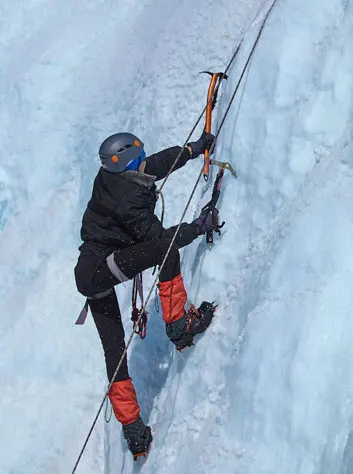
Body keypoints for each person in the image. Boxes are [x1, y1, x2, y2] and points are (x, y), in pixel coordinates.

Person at [74, 131, 218, 459]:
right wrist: (198, 227)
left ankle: (134, 433)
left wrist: (193, 150)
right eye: (138, 156)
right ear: (128, 162)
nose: (144, 159)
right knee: (167, 251)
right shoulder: (128, 202)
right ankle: (179, 327)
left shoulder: (114, 175)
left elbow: (155, 165)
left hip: (92, 267)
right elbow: (161, 242)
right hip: (101, 269)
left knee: (114, 351)